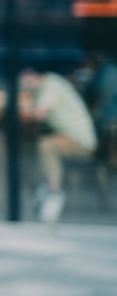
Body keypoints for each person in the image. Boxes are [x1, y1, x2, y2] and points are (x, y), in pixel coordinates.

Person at [19, 67, 98, 222]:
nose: (22, 85)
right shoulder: (45, 87)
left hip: (82, 142)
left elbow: (37, 115)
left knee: (46, 145)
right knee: (36, 148)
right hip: (66, 137)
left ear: (29, 75)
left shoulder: (50, 84)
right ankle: (43, 188)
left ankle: (54, 194)